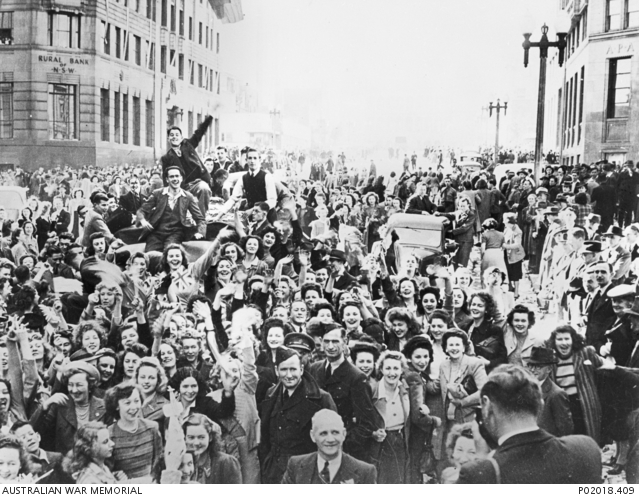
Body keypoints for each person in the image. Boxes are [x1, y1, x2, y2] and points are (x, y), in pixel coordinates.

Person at [457, 364, 602, 484]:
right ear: (540, 404)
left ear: (487, 405)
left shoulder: (477, 473)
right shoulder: (586, 448)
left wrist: (482, 460)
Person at [258, 347, 337, 484]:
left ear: (301, 369)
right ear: (277, 371)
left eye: (293, 369)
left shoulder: (321, 399)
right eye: (284, 370)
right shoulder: (271, 394)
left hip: (306, 474)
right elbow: (265, 437)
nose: (289, 375)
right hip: (274, 474)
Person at [308, 326, 383, 464]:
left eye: (335, 341)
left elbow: (366, 424)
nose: (330, 346)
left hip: (342, 450)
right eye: (326, 341)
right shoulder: (314, 369)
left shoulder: (356, 377)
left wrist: (342, 444)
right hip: (314, 447)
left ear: (345, 342)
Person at [281, 409, 377, 484]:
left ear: (344, 434)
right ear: (313, 436)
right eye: (323, 433)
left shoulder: (365, 472)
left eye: (335, 432)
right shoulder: (296, 465)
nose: (330, 439)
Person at [136, 165, 207, 252]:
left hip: (175, 234)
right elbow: (141, 211)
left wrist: (200, 232)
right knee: (150, 256)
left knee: (170, 254)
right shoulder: (158, 194)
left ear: (181, 178)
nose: (175, 179)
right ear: (167, 179)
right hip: (156, 234)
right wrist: (143, 220)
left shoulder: (188, 197)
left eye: (177, 176)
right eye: (171, 176)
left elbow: (200, 219)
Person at [371, 350, 410, 484]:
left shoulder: (405, 389)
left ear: (401, 370)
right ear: (381, 369)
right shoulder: (373, 390)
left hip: (400, 440)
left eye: (395, 368)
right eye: (387, 368)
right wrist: (373, 433)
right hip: (380, 443)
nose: (391, 373)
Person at [160, 118, 213, 216]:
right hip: (181, 187)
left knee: (204, 188)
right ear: (168, 139)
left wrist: (209, 117)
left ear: (181, 137)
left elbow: (200, 132)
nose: (174, 137)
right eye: (171, 135)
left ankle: (201, 219)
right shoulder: (166, 158)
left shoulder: (188, 145)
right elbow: (165, 179)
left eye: (177, 135)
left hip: (197, 182)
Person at [525, 346, 574, 437]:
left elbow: (565, 430)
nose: (532, 370)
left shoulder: (556, 394)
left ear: (549, 369)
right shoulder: (526, 389)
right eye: (530, 365)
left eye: (538, 367)